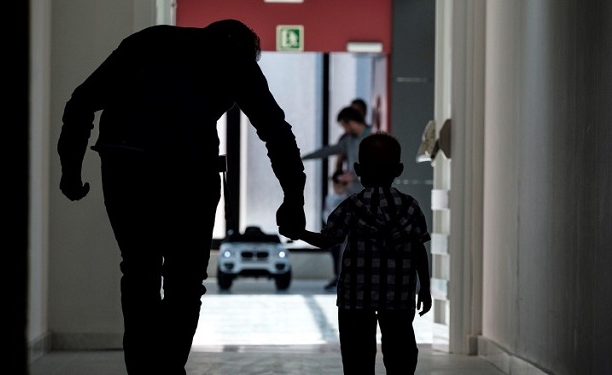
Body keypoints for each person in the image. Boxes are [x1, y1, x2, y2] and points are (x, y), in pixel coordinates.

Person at [57, 19, 307, 375]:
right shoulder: (234, 57)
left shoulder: (146, 40)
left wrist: (71, 168)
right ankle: (168, 369)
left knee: (139, 272)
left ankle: (144, 371)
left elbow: (81, 102)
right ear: (247, 49)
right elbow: (276, 131)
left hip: (126, 166)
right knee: (185, 282)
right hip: (190, 175)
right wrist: (293, 198)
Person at [282, 132, 432, 375]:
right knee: (401, 353)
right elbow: (418, 250)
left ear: (358, 169)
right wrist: (424, 288)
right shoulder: (411, 207)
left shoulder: (351, 207)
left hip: (355, 298)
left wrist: (299, 233)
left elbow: (327, 240)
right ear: (399, 169)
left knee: (356, 357)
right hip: (399, 296)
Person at [323, 169, 350, 290]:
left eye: (340, 186)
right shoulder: (329, 198)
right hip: (335, 232)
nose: (338, 189)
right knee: (335, 254)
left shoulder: (350, 197)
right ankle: (337, 276)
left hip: (348, 232)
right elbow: (326, 213)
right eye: (336, 186)